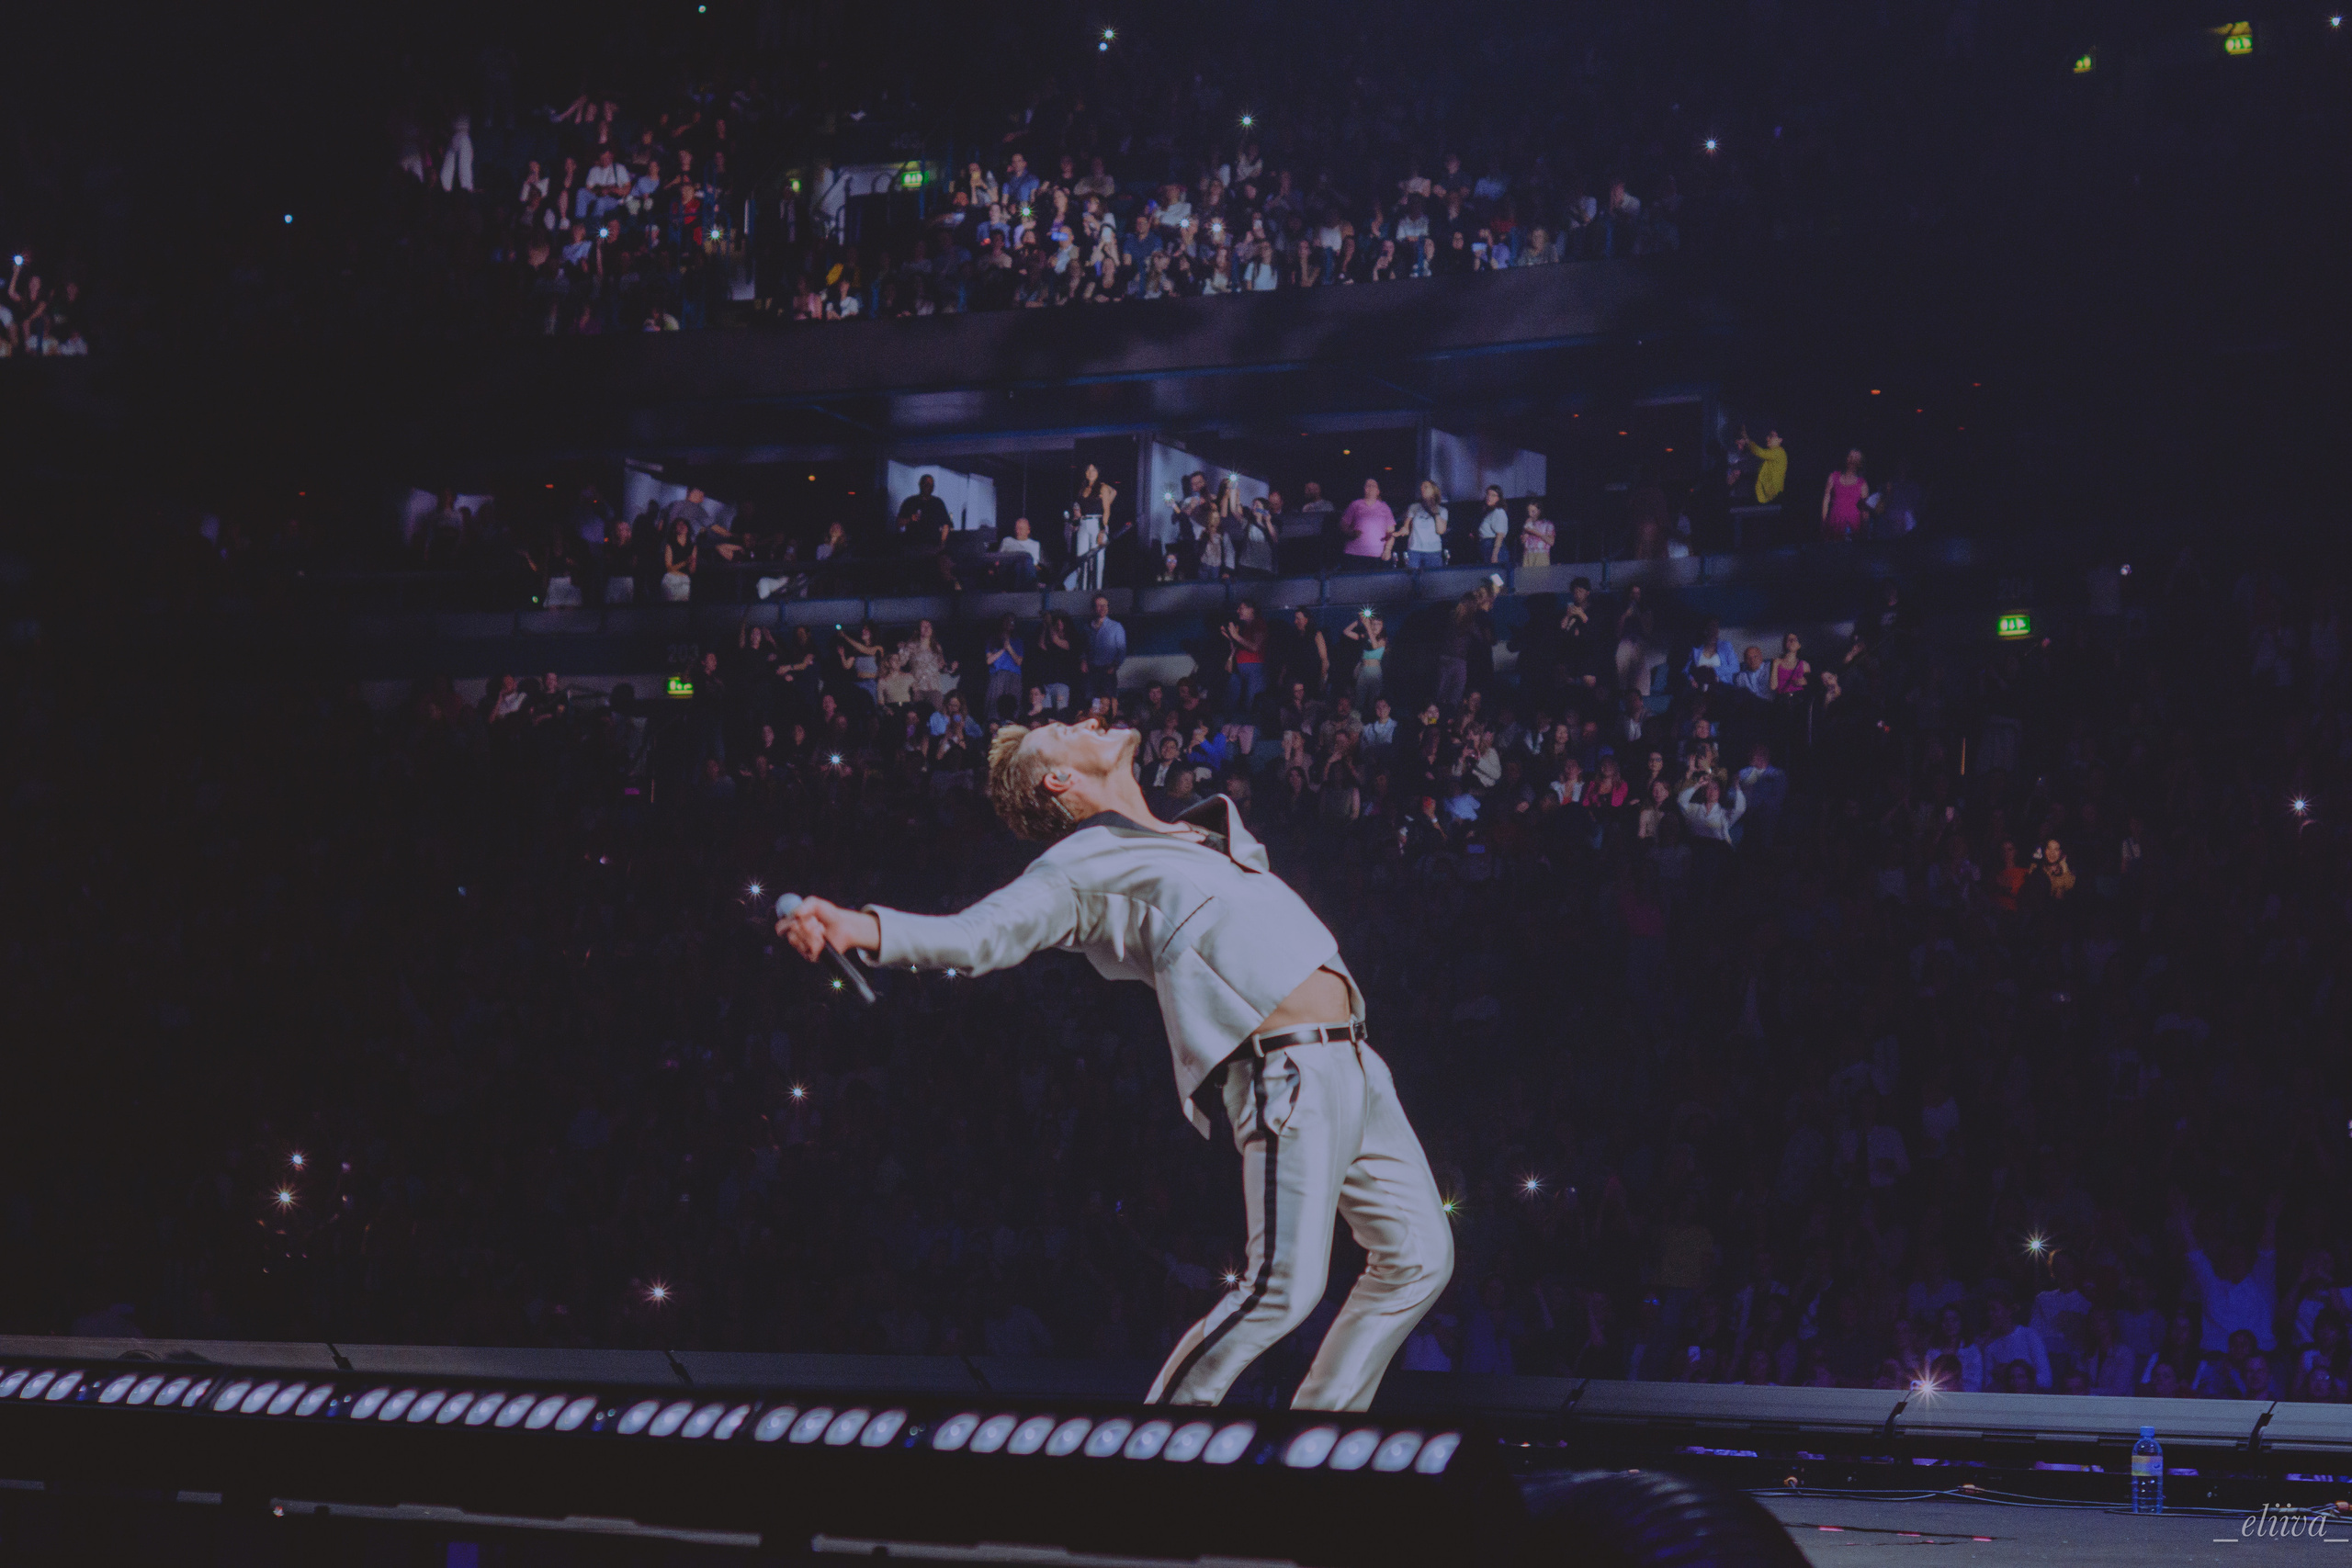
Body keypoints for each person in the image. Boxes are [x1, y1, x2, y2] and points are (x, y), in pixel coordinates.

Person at [777, 719, 1453, 1412]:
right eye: (1065, 730)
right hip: (1285, 1072)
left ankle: (1321, 1445)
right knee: (1282, 1285)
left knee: (1420, 1255)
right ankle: (1152, 1452)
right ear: (1059, 780)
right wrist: (862, 927)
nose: (1089, 720)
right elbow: (979, 934)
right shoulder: (1080, 865)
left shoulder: (1208, 830)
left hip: (1358, 1059)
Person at [1338, 479, 1398, 569]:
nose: (1370, 488)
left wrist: (1388, 550)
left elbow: (1390, 532)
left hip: (1377, 554)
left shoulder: (1385, 508)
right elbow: (1343, 525)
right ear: (1364, 489)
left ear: (1378, 491)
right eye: (1367, 486)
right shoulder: (1355, 504)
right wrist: (1351, 533)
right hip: (1354, 553)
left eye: (1373, 486)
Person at [1081, 594, 1126, 706]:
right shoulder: (1087, 628)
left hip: (1108, 670)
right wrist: (1083, 661)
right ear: (1093, 609)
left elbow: (1122, 650)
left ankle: (1109, 722)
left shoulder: (1116, 627)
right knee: (1092, 699)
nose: (1103, 608)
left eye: (1105, 605)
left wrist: (1114, 666)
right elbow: (1083, 647)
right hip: (1091, 670)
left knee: (1109, 699)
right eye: (1099, 605)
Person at [1343, 611, 1388, 710]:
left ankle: (1371, 720)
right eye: (1373, 624)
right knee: (1359, 700)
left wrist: (1368, 626)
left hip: (1374, 671)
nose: (1375, 626)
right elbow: (1346, 632)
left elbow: (1375, 645)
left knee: (1373, 700)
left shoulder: (1383, 639)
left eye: (1378, 624)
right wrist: (1359, 621)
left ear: (1382, 626)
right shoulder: (1366, 636)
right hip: (1363, 670)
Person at [1822, 449, 1869, 541]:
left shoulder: (1862, 483)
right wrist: (1823, 521)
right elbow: (1826, 499)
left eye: (1856, 458)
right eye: (1850, 457)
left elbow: (1865, 510)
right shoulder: (1833, 476)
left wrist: (1865, 531)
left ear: (1860, 463)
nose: (1852, 460)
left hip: (1853, 525)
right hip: (1834, 522)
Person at [1402, 480, 1450, 571]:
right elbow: (1406, 527)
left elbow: (1440, 530)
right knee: (1413, 580)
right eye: (1422, 487)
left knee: (1433, 580)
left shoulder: (1442, 510)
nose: (1423, 489)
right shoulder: (1414, 507)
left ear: (1434, 490)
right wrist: (1402, 530)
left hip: (1433, 552)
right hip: (1414, 550)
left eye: (1426, 487)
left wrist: (1435, 512)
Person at [1736, 426, 1786, 507]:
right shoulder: (1771, 455)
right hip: (1766, 496)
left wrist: (1747, 440)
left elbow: (1759, 452)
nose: (1767, 438)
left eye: (1771, 436)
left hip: (1772, 497)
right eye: (1768, 436)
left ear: (1780, 440)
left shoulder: (1778, 452)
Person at [1476, 486, 1510, 565]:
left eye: (1493, 495)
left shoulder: (1499, 512)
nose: (1489, 497)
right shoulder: (1489, 512)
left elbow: (1500, 534)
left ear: (1499, 498)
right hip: (1486, 547)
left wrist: (1495, 555)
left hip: (1493, 547)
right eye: (1488, 494)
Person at [1520, 502, 1556, 569]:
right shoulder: (1528, 524)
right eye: (1529, 511)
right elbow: (1522, 541)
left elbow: (1551, 542)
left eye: (1533, 511)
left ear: (1539, 511)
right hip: (1528, 554)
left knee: (1540, 577)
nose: (1530, 514)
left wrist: (1536, 532)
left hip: (1541, 555)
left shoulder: (1547, 524)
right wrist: (1526, 531)